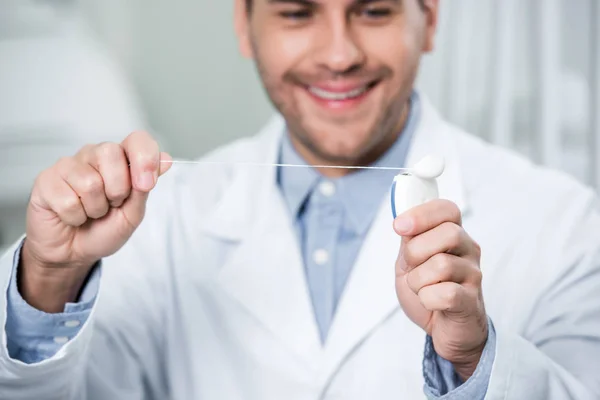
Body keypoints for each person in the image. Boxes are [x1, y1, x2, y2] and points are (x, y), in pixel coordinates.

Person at [1, 0, 599, 398]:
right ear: (244, 24)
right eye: (296, 12)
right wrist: (49, 277)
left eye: (372, 10)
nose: (339, 55)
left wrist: (475, 363)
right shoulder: (162, 221)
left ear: (430, 19)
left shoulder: (566, 226)